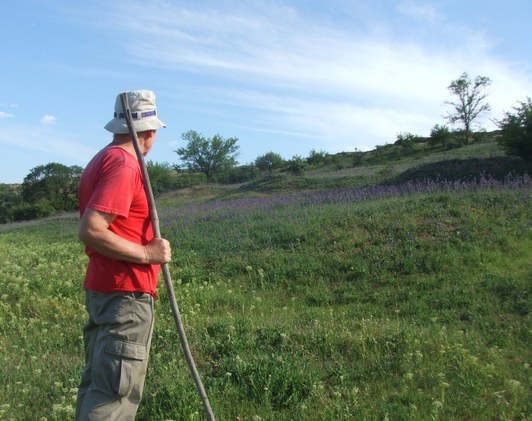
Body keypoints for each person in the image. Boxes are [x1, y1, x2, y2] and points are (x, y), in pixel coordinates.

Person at [75, 90, 172, 420]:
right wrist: (147, 253)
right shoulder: (125, 165)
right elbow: (92, 230)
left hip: (106, 290)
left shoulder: (102, 159)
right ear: (149, 133)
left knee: (97, 385)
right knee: (113, 396)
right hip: (124, 295)